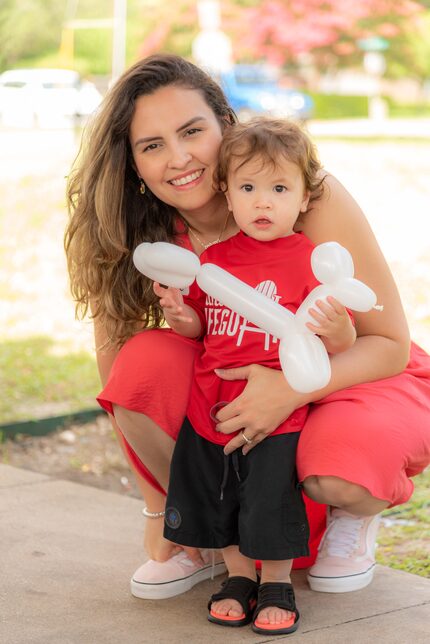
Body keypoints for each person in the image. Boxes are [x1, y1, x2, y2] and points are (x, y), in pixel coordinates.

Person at [64, 53, 430, 602]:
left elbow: (388, 344)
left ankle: (348, 514)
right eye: (152, 145)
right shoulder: (140, 231)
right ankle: (207, 530)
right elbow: (120, 381)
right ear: (132, 164)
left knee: (338, 472)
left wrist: (287, 389)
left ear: (226, 127)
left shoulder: (304, 192)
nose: (180, 158)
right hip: (240, 390)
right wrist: (161, 507)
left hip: (353, 375)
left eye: (192, 131)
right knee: (140, 362)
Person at [153, 118, 357, 634]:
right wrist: (183, 318)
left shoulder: (309, 261)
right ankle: (238, 576)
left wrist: (337, 331)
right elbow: (202, 326)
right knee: (218, 495)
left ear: (306, 197)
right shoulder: (215, 261)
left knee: (269, 496)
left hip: (276, 413)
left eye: (279, 189)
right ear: (226, 191)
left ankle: (275, 582)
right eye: (248, 188)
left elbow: (337, 344)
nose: (262, 203)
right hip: (213, 405)